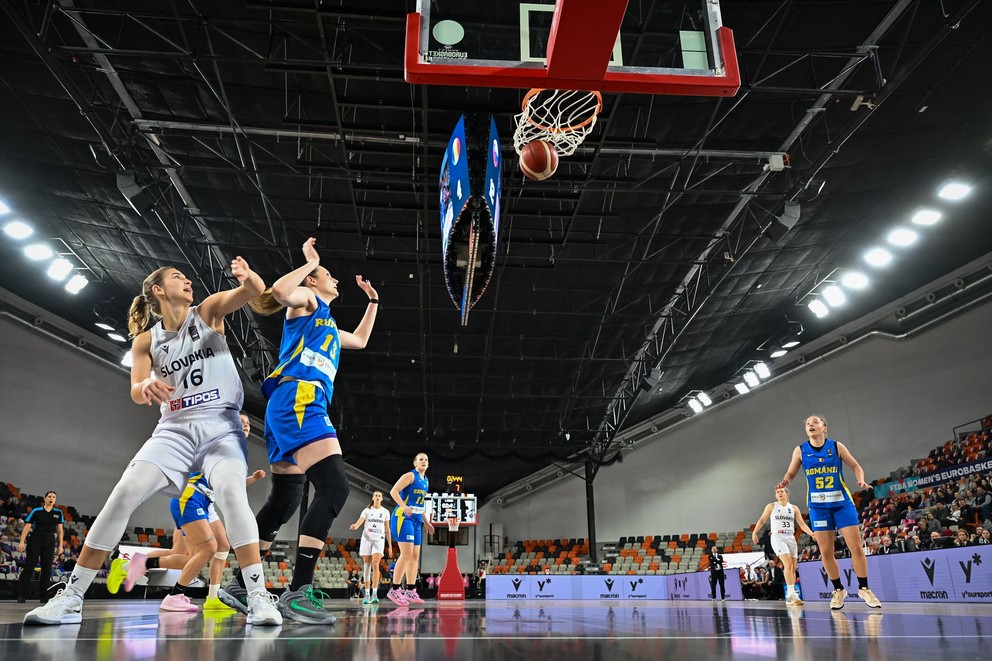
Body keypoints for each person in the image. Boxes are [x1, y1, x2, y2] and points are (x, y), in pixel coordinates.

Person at [23, 262, 281, 626]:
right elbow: (135, 387)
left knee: (231, 494)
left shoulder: (206, 312)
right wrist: (144, 387)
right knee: (123, 494)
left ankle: (258, 597)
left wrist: (248, 276)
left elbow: (254, 290)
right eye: (177, 277)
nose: (188, 280)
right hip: (173, 429)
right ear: (158, 290)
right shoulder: (146, 340)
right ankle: (72, 597)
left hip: (219, 425)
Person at [224, 237, 378, 624]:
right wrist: (312, 263)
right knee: (334, 487)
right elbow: (279, 291)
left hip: (292, 403)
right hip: (299, 398)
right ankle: (299, 592)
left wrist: (373, 302)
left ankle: (244, 582)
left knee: (287, 498)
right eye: (329, 276)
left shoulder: (328, 324)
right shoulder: (309, 304)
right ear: (313, 282)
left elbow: (359, 340)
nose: (335, 281)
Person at [107, 465, 267, 612]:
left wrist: (252, 479)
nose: (245, 431)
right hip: (191, 497)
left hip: (205, 502)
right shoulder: (217, 444)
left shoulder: (233, 450)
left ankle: (213, 597)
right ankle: (136, 568)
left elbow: (228, 481)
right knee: (197, 556)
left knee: (219, 546)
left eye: (247, 430)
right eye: (242, 430)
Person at [777, 414, 881, 610]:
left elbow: (856, 465)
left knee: (856, 547)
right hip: (818, 507)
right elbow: (791, 473)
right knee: (825, 552)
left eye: (815, 422)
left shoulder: (836, 446)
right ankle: (838, 590)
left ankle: (864, 588)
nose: (811, 425)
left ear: (824, 428)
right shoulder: (800, 450)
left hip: (842, 503)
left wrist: (860, 479)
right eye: (807, 423)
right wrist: (786, 481)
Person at [752, 486, 815, 605]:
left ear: (787, 494)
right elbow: (761, 520)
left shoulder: (794, 508)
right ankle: (791, 594)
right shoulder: (771, 506)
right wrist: (755, 532)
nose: (779, 493)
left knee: (792, 568)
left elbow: (801, 524)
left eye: (781, 491)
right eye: (777, 492)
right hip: (777, 537)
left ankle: (791, 595)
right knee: (788, 564)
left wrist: (811, 533)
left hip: (790, 537)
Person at [387, 452, 435, 606]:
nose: (424, 461)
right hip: (403, 517)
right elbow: (393, 491)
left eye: (426, 460)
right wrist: (403, 505)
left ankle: (410, 590)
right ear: (415, 463)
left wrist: (426, 522)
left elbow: (420, 505)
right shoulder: (410, 476)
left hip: (417, 519)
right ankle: (394, 589)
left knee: (415, 556)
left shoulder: (426, 480)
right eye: (421, 459)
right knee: (406, 554)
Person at [17, 491, 64, 603]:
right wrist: (21, 542)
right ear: (45, 498)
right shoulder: (37, 511)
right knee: (29, 566)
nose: (51, 498)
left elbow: (60, 530)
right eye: (49, 496)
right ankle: (22, 595)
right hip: (36, 538)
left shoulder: (59, 512)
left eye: (53, 497)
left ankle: (43, 595)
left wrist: (60, 545)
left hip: (50, 540)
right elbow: (27, 526)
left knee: (47, 569)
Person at [349, 490, 393, 605]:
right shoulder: (367, 510)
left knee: (375, 564)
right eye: (376, 495)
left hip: (379, 539)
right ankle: (367, 594)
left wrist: (390, 546)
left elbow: (388, 530)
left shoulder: (385, 512)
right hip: (366, 539)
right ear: (373, 498)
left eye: (379, 496)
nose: (378, 497)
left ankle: (375, 593)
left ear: (382, 499)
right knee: (367, 566)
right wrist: (355, 526)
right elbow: (360, 522)